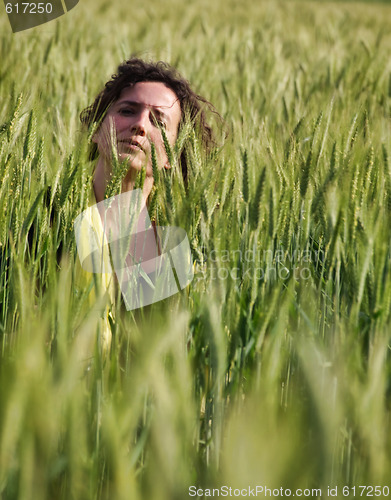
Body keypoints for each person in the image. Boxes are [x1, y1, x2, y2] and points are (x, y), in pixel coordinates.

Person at [76, 57, 218, 352]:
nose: (140, 124)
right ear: (97, 127)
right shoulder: (43, 221)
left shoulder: (173, 252)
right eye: (127, 110)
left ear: (172, 156)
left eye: (158, 122)